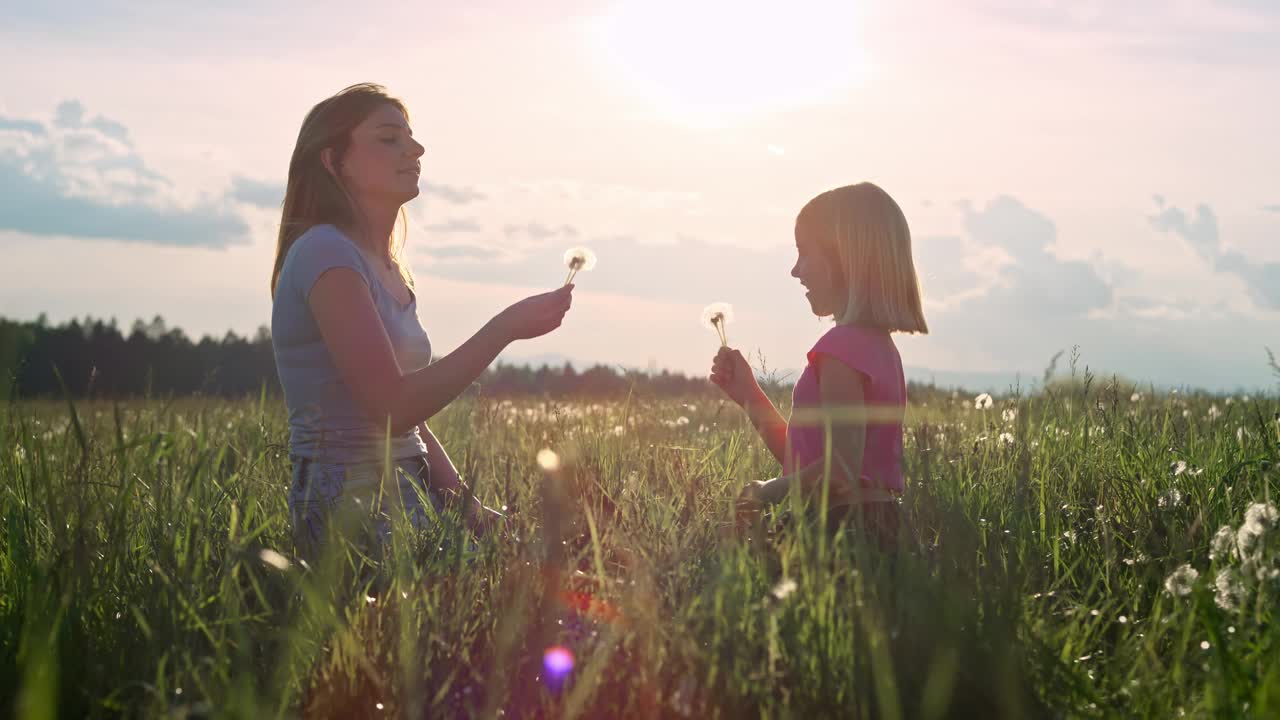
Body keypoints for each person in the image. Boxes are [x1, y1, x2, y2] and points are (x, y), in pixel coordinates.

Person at [269, 83, 574, 556]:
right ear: (332, 161)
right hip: (349, 504)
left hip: (409, 491)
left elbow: (413, 429)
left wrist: (473, 512)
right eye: (389, 138)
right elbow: (392, 407)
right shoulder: (325, 252)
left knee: (555, 562)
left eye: (411, 138)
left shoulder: (387, 266)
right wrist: (505, 328)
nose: (416, 149)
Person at [709, 182, 928, 545]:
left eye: (804, 254)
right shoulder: (879, 349)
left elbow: (838, 473)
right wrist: (751, 397)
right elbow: (808, 462)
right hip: (881, 527)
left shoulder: (840, 349)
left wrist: (763, 491)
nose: (796, 271)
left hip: (839, 529)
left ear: (844, 258)